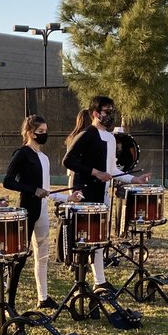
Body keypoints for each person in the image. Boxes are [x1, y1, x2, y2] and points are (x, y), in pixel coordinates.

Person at [62, 95, 149, 291]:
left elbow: (112, 169)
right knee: (85, 239)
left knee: (100, 238)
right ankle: (81, 282)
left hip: (102, 194)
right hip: (85, 193)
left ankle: (99, 281)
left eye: (112, 112)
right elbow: (68, 161)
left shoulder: (110, 138)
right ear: (95, 114)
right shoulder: (86, 134)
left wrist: (135, 179)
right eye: (106, 112)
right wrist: (95, 172)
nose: (110, 116)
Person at [3, 115, 81, 309]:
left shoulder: (44, 158)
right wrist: (33, 189)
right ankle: (10, 302)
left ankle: (43, 297)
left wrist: (68, 198)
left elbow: (47, 190)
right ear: (30, 133)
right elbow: (8, 181)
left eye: (46, 132)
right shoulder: (22, 153)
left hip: (42, 212)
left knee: (43, 256)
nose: (44, 135)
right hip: (26, 210)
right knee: (20, 258)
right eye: (41, 132)